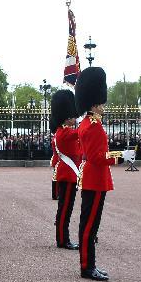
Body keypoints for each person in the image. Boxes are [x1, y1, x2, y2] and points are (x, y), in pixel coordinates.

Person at [75, 67, 134, 281]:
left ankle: (88, 264)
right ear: (94, 103)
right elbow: (98, 157)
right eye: (101, 103)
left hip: (93, 177)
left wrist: (119, 154)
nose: (103, 106)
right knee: (90, 225)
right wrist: (123, 156)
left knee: (90, 225)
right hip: (95, 178)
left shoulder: (88, 124)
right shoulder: (93, 127)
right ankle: (87, 267)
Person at [50, 89, 80, 251]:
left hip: (67, 173)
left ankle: (63, 237)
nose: (75, 119)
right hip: (68, 174)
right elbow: (81, 133)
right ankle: (63, 239)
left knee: (65, 208)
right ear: (67, 116)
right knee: (65, 209)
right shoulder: (65, 132)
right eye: (73, 116)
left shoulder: (61, 132)